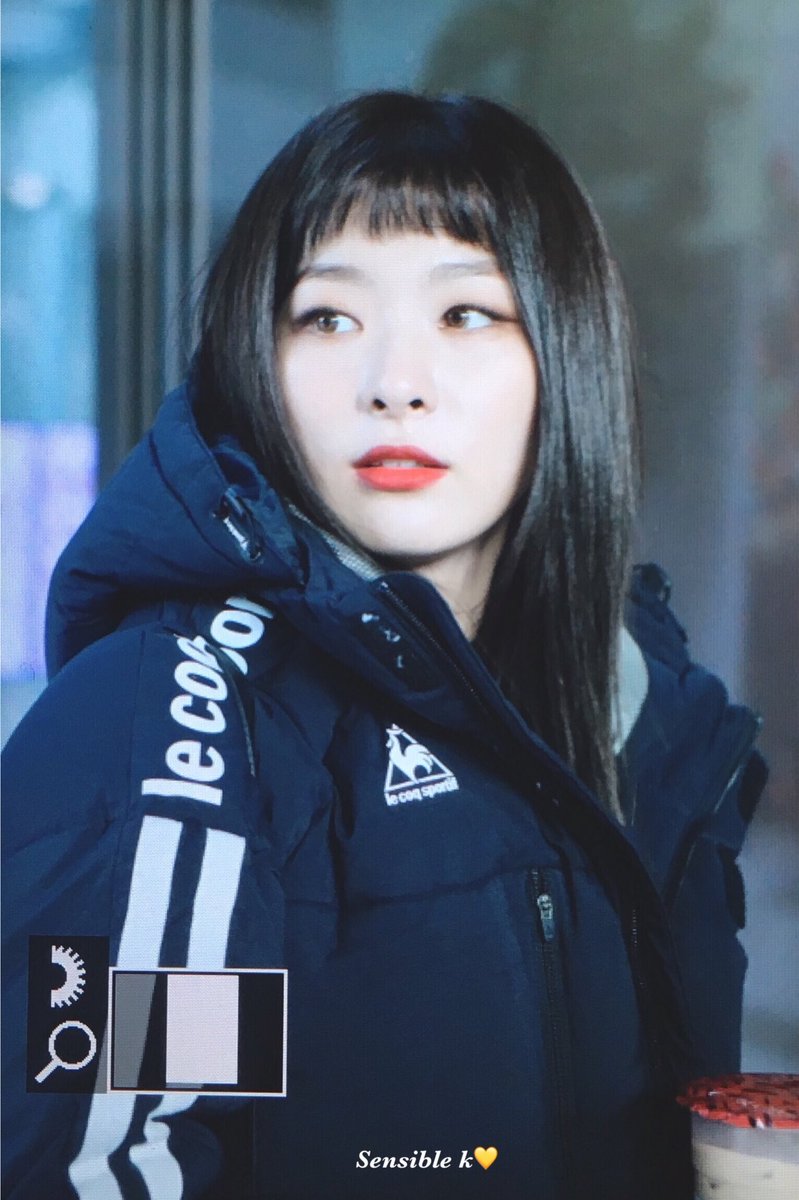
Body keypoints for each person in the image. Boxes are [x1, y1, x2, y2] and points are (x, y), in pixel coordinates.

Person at [2, 91, 766, 1200]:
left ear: (568, 355)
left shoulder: (645, 712)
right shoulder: (182, 733)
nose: (394, 383)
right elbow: (101, 1162)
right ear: (252, 360)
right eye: (326, 317)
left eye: (465, 313)